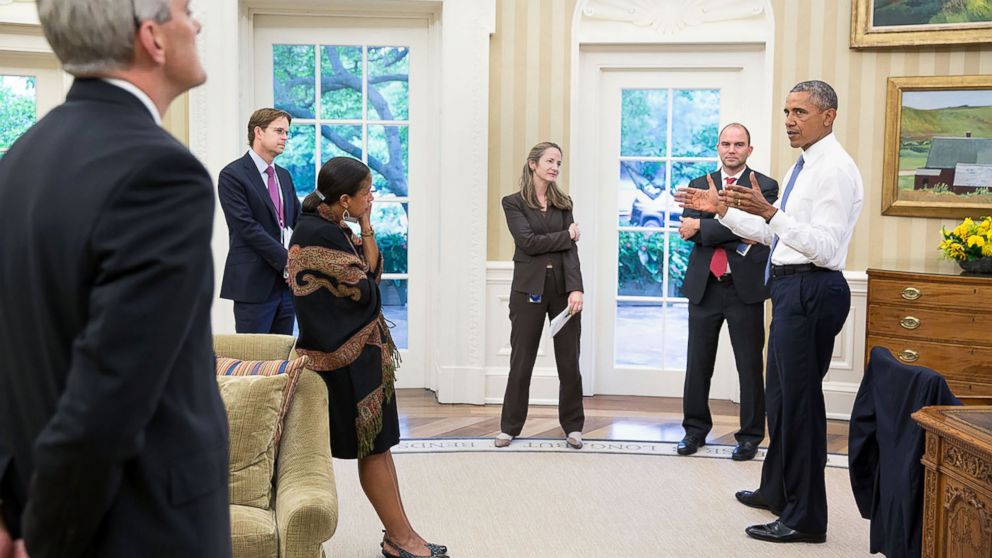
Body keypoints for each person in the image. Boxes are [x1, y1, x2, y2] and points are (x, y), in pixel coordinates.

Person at [0, 1, 230, 556]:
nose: (197, 23)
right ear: (152, 38)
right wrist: (49, 536)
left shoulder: (17, 162)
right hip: (134, 526)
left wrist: (11, 505)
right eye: (186, 11)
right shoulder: (161, 172)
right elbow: (109, 395)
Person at [676, 80, 863, 543]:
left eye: (800, 112)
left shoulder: (835, 170)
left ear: (828, 116)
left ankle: (805, 518)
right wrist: (723, 211)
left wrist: (769, 212)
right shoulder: (804, 164)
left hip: (811, 288)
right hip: (789, 288)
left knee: (799, 408)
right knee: (780, 401)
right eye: (786, 112)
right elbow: (774, 236)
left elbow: (824, 248)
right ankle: (777, 490)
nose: (789, 121)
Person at [288, 157, 447, 558]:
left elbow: (370, 273)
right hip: (343, 361)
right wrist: (363, 256)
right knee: (373, 449)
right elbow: (367, 293)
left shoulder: (333, 227)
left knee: (380, 446)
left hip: (361, 355)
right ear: (344, 199)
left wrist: (366, 224)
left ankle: (401, 535)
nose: (372, 197)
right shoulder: (316, 234)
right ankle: (401, 539)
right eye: (367, 192)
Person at [677, 123, 778, 462]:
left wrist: (705, 224)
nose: (731, 150)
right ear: (718, 148)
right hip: (704, 286)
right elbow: (687, 231)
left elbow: (760, 231)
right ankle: (694, 431)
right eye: (726, 144)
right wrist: (731, 231)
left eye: (739, 144)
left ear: (750, 149)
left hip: (743, 289)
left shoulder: (763, 186)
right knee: (697, 364)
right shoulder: (698, 184)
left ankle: (749, 436)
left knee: (749, 367)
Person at [495, 142, 585, 450]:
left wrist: (576, 288)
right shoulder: (513, 203)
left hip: (563, 290)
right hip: (527, 290)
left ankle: (574, 427)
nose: (555, 167)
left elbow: (570, 253)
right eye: (549, 161)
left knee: (569, 363)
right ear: (533, 164)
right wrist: (567, 235)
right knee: (522, 362)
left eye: (558, 162)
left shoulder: (563, 203)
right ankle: (509, 427)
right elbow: (527, 242)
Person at [218, 108, 302, 334]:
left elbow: (298, 219)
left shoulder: (284, 175)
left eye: (287, 132)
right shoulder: (232, 175)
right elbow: (246, 227)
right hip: (253, 284)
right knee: (252, 353)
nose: (285, 137)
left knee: (281, 353)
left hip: (287, 286)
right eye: (279, 131)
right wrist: (287, 259)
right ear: (258, 132)